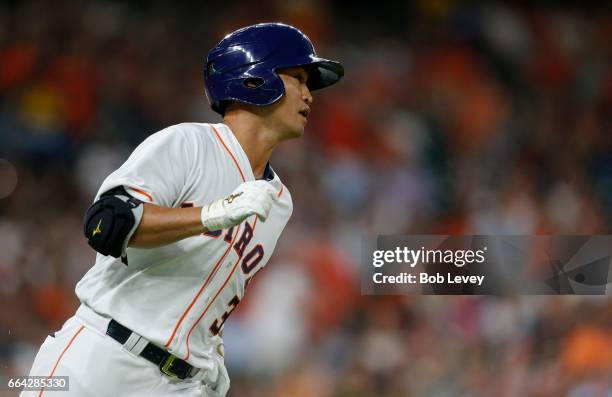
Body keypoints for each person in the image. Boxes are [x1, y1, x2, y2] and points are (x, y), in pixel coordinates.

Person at [22, 22, 343, 397]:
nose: (309, 95)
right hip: (100, 359)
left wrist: (208, 351)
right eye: (299, 78)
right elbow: (104, 225)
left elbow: (205, 289)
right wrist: (210, 215)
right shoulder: (188, 144)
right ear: (255, 79)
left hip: (177, 384)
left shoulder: (279, 202)